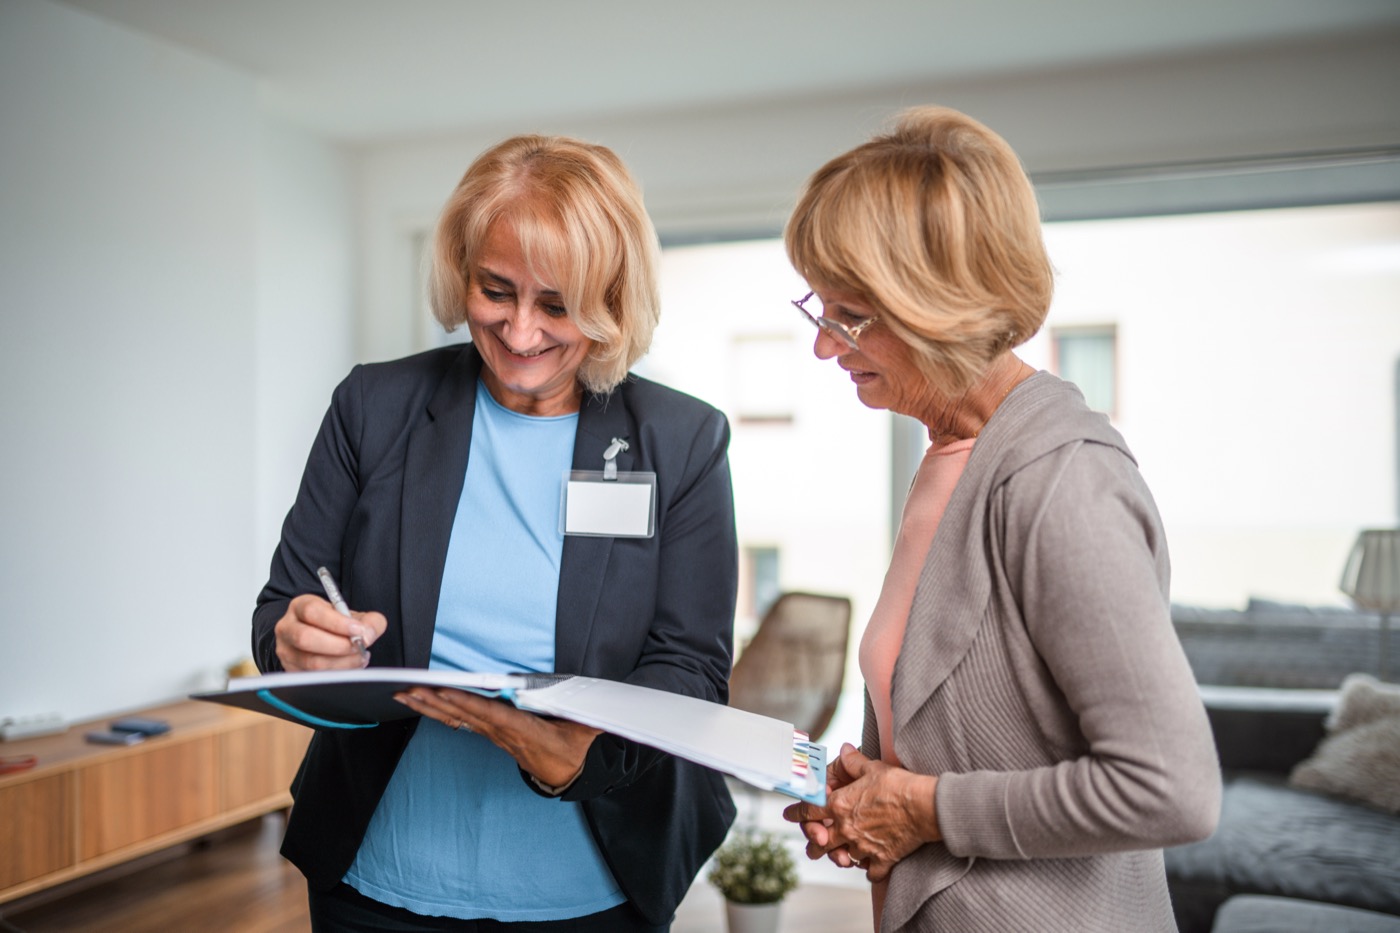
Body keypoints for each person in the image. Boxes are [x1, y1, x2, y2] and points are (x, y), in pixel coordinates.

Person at [252, 134, 739, 932]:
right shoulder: (375, 408)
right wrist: (297, 640)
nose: (519, 333)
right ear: (461, 272)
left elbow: (691, 667)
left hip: (594, 884)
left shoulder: (680, 440)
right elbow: (282, 608)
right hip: (375, 875)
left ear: (613, 297)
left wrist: (583, 755)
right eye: (495, 290)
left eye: (557, 304)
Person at [780, 106, 1221, 932]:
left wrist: (925, 807)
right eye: (822, 309)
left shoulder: (1064, 481)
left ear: (938, 303)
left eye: (852, 317)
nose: (825, 347)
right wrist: (871, 795)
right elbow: (977, 732)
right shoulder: (952, 453)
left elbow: (1171, 785)